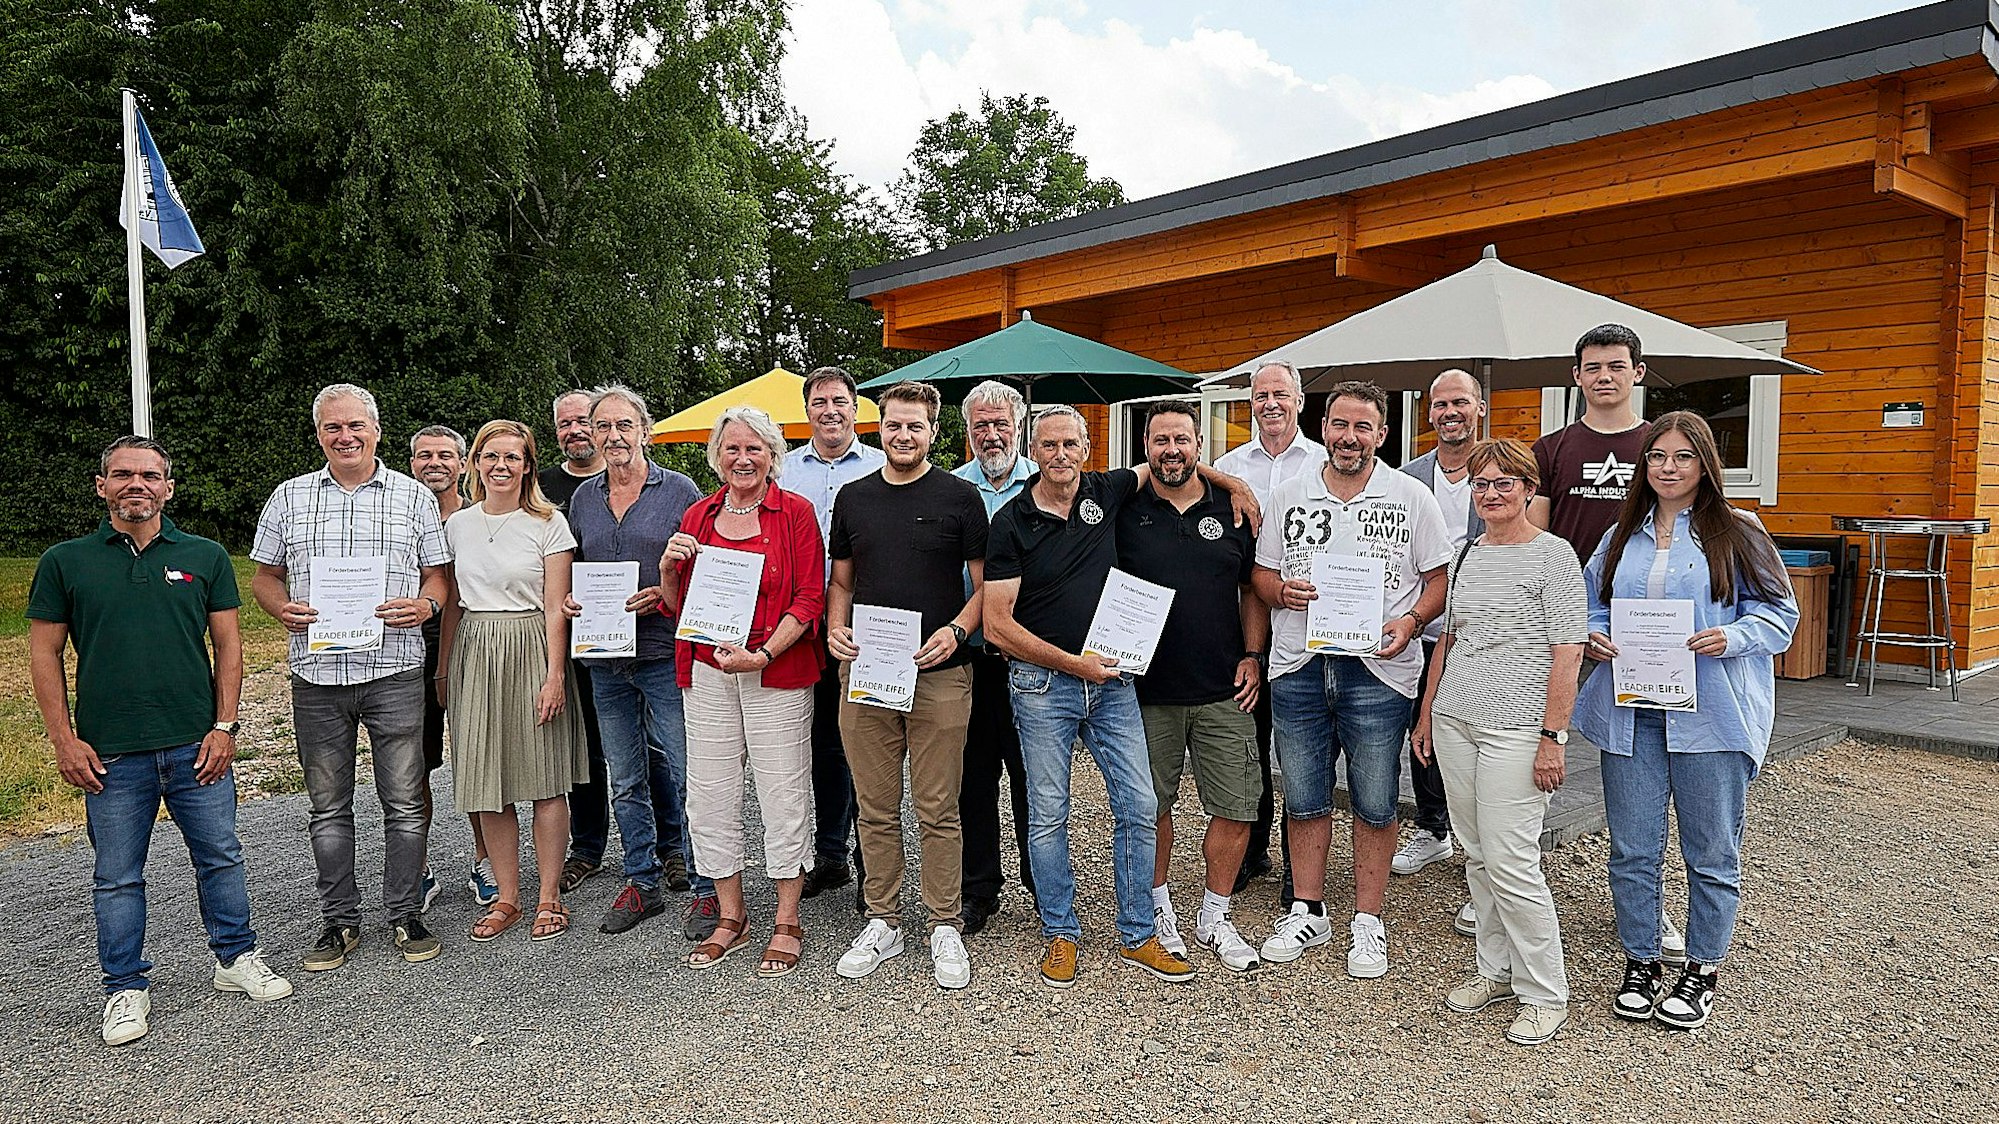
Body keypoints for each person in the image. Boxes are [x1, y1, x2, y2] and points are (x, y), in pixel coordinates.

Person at [29, 436, 293, 1047]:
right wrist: (64, 740)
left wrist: (225, 727)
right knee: (118, 875)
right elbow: (43, 654)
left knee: (221, 856)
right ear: (102, 486)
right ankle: (125, 988)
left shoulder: (203, 555)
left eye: (150, 475)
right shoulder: (65, 561)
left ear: (168, 488)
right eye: (123, 475)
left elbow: (229, 646)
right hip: (111, 753)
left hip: (195, 744)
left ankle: (235, 958)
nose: (137, 485)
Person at [985, 406, 1256, 988]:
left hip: (1114, 682)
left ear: (1088, 449)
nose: (1060, 455)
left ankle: (1138, 933)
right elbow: (997, 625)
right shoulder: (1011, 521)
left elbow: (1171, 460)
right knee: (1049, 813)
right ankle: (1060, 932)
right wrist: (1071, 663)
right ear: (1035, 450)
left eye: (1071, 444)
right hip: (1043, 685)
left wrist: (1232, 481)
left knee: (1138, 805)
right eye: (1049, 445)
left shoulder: (1106, 490)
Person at [1576, 411, 1797, 1032]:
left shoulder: (1739, 530)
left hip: (1710, 716)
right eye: (1656, 458)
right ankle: (1641, 961)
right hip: (1633, 714)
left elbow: (1781, 615)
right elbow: (1593, 601)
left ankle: (1701, 969)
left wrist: (1730, 636)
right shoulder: (1622, 533)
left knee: (1711, 852)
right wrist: (1596, 634)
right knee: (1632, 849)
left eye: (1681, 457)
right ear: (1642, 466)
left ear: (1705, 463)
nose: (1667, 468)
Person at [1252, 380, 1451, 980]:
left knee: (1375, 801)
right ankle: (1308, 910)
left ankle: (1369, 921)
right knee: (1305, 796)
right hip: (1299, 666)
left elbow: (1439, 581)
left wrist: (1411, 619)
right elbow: (1261, 578)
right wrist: (1281, 591)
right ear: (1323, 428)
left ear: (1381, 435)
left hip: (1381, 671)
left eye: (1363, 427)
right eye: (1340, 425)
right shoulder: (1290, 494)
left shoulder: (1411, 497)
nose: (1349, 438)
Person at [251, 383, 450, 971]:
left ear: (376, 431)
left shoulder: (412, 498)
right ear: (319, 435)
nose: (346, 437)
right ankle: (339, 921)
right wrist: (278, 606)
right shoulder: (289, 498)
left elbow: (438, 578)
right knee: (328, 806)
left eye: (356, 426)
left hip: (393, 671)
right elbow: (264, 577)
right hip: (317, 675)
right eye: (333, 428)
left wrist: (425, 608)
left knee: (405, 802)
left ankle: (406, 913)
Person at [1410, 437, 1588, 1047]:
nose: (1490, 494)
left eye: (1503, 483)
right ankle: (1498, 971)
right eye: (1482, 484)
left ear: (1528, 489)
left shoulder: (1554, 557)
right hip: (1457, 717)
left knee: (1514, 861)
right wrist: (1427, 713)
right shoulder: (1467, 554)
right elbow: (1450, 639)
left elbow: (1570, 650)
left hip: (1518, 725)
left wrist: (1553, 738)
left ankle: (1547, 991)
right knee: (1478, 853)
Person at [1529, 323, 1688, 963]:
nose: (1604, 376)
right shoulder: (1552, 448)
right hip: (1567, 626)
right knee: (1535, 753)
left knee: (1647, 775)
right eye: (1591, 366)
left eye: (1616, 365)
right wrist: (1561, 620)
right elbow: (1535, 541)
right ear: (1576, 376)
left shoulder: (1664, 444)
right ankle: (1515, 881)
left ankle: (1652, 908)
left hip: (1649, 637)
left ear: (1638, 372)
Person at [825, 381, 987, 989]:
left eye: (914, 426)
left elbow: (984, 591)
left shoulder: (960, 497)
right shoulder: (854, 498)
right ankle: (883, 919)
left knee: (939, 805)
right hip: (866, 672)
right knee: (874, 806)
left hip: (940, 675)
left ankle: (944, 922)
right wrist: (835, 628)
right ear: (879, 428)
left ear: (933, 431)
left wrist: (957, 629)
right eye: (893, 425)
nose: (903, 435)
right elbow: (840, 582)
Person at [667, 407, 826, 977]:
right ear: (716, 455)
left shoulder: (796, 513)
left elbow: (811, 598)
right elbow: (678, 603)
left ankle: (787, 918)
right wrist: (667, 566)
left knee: (782, 791)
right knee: (710, 793)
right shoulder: (698, 513)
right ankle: (730, 916)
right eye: (732, 448)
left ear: (771, 454)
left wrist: (762, 654)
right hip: (708, 668)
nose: (742, 458)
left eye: (753, 448)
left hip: (773, 668)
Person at [1116, 402, 1267, 974]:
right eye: (1161, 440)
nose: (1171, 449)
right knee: (1149, 806)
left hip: (1222, 686)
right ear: (1146, 447)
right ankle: (1158, 909)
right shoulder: (1123, 506)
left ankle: (1215, 912)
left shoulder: (1231, 509)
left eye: (1182, 439)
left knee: (1235, 805)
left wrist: (1253, 654)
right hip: (1143, 689)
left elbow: (1251, 588)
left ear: (1199, 446)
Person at [557, 384, 711, 939]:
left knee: (687, 768)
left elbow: (702, 567)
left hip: (664, 649)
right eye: (603, 427)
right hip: (604, 657)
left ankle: (705, 887)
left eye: (624, 425)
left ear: (645, 430)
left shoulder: (681, 491)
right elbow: (575, 566)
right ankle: (642, 880)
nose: (613, 436)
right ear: (593, 435)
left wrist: (664, 590)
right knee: (624, 776)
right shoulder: (582, 499)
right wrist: (572, 600)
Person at [438, 420, 590, 942]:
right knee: (488, 781)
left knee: (545, 778)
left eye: (513, 457)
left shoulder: (549, 523)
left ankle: (549, 894)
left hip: (531, 647)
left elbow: (555, 606)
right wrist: (444, 667)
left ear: (528, 465)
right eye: (491, 456)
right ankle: (508, 896)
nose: (501, 466)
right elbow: (454, 603)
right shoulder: (458, 525)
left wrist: (554, 674)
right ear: (475, 462)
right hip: (476, 651)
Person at [1213, 359, 1325, 895]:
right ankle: (1251, 851)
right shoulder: (1230, 465)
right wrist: (1227, 480)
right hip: (1244, 619)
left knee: (1303, 748)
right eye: (1261, 396)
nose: (1271, 404)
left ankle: (1294, 864)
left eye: (1281, 394)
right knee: (1248, 739)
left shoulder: (1328, 462)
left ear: (1300, 401)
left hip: (1312, 621)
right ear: (1250, 403)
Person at [782, 366, 885, 903]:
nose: (830, 410)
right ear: (807, 410)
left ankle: (875, 859)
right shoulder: (783, 471)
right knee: (823, 742)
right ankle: (830, 854)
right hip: (801, 626)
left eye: (840, 401)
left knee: (867, 742)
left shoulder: (880, 466)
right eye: (819, 401)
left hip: (869, 625)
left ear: (855, 407)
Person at [1396, 371, 1486, 934]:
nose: (1450, 411)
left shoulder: (1500, 471)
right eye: (1440, 404)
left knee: (1476, 734)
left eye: (1460, 402)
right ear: (1429, 413)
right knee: (1420, 730)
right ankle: (1433, 828)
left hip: (1480, 632)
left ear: (1479, 407)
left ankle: (1483, 843)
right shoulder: (1409, 477)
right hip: (1424, 626)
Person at [952, 380, 1038, 936]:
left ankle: (1043, 885)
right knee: (972, 779)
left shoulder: (1049, 480)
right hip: (970, 658)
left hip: (1033, 658)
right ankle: (979, 888)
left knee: (1036, 779)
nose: (991, 434)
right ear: (967, 431)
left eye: (1000, 423)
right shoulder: (952, 489)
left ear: (1019, 425)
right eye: (980, 425)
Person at [409, 425, 492, 908]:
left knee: (474, 756)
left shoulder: (478, 517)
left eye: (444, 455)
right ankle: (417, 867)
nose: (433, 463)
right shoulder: (397, 512)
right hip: (404, 647)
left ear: (463, 464)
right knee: (411, 762)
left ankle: (484, 859)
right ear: (412, 462)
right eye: (423, 455)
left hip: (467, 646)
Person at [538, 389, 614, 897]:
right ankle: (588, 847)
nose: (575, 430)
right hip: (572, 637)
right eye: (564, 424)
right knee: (585, 748)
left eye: (584, 420)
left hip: (636, 634)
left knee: (648, 748)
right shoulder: (542, 488)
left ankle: (668, 848)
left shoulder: (636, 479)